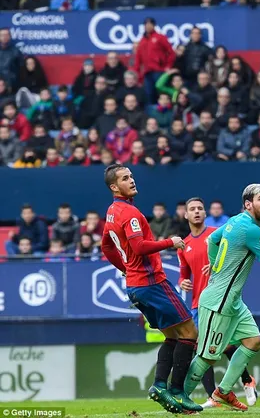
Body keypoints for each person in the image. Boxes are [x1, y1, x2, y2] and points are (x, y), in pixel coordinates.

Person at [183, 184, 260, 411]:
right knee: (208, 356)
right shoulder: (252, 230)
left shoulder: (234, 221)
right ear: (248, 204)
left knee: (253, 341)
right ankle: (181, 397)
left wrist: (215, 264)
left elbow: (212, 241)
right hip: (220, 301)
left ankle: (223, 392)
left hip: (234, 301)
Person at [100, 164, 201, 414]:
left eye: (131, 176)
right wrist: (171, 242)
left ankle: (159, 386)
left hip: (134, 286)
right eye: (125, 178)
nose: (132, 180)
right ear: (114, 187)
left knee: (172, 336)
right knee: (190, 333)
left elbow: (106, 247)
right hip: (152, 281)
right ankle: (178, 391)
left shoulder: (112, 212)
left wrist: (124, 268)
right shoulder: (130, 214)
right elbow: (139, 247)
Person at [176, 197, 258, 409]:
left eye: (200, 209)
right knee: (211, 351)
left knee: (220, 348)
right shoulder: (183, 245)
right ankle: (220, 393)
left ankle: (240, 383)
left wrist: (215, 263)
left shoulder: (219, 233)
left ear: (205, 214)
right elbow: (184, 273)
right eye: (192, 209)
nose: (196, 212)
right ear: (185, 215)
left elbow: (232, 256)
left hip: (222, 300)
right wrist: (182, 281)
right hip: (198, 304)